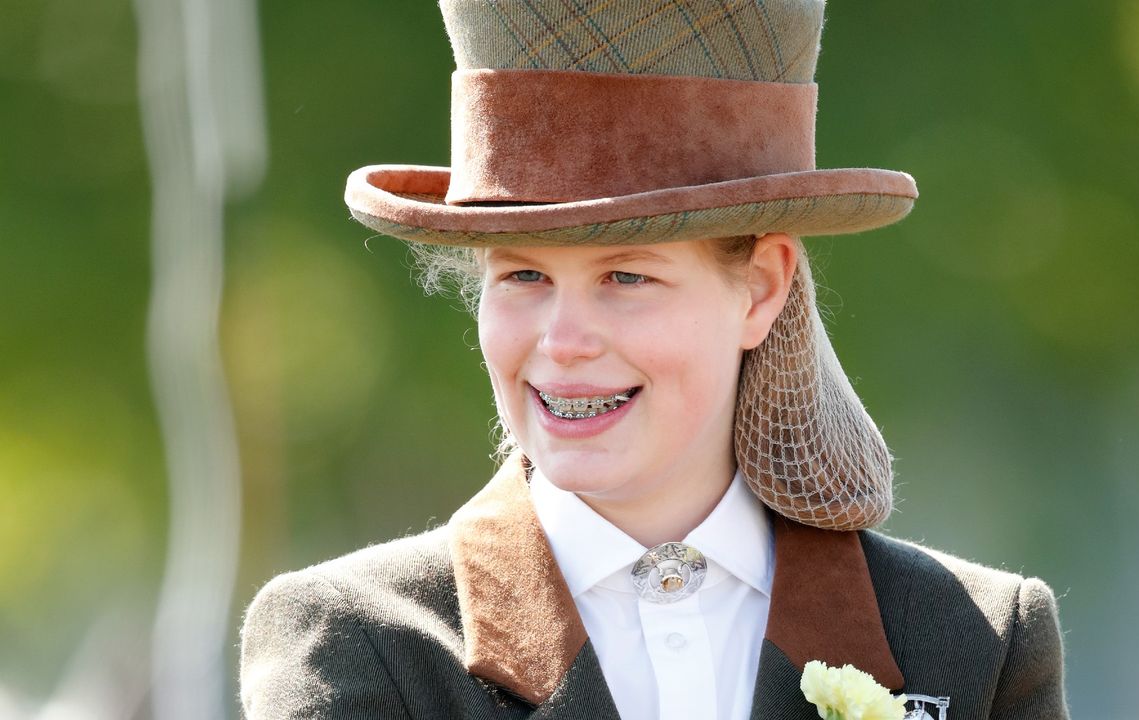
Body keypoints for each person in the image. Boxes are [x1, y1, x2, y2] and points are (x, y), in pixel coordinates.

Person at [239, 1, 1069, 719]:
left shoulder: (975, 643)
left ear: (760, 289)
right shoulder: (360, 642)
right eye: (523, 275)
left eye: (626, 276)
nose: (561, 341)